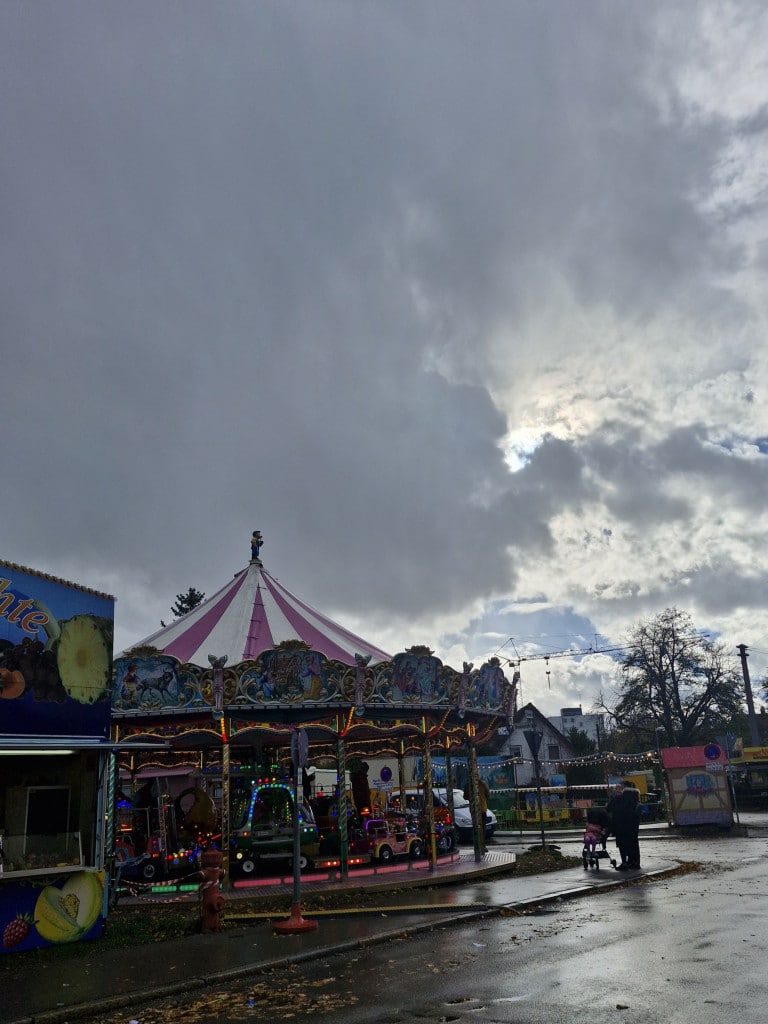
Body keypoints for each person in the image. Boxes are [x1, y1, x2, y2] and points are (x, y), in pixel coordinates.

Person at [608, 780, 642, 870]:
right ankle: (634, 862)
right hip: (632, 829)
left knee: (623, 845)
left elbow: (611, 809)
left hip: (621, 828)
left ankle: (626, 863)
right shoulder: (635, 802)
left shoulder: (621, 802)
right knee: (633, 844)